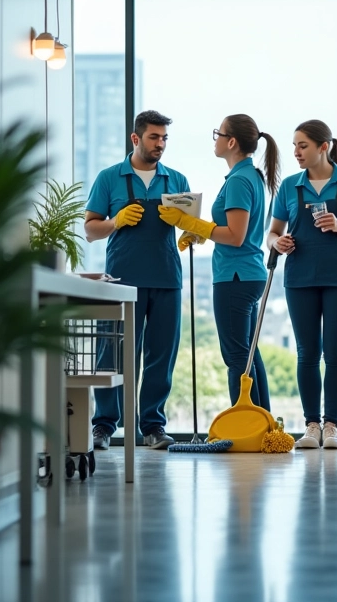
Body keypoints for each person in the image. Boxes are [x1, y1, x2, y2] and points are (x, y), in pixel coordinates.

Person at [158, 115, 280, 410]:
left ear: (232, 142)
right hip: (248, 273)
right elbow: (236, 230)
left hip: (234, 277)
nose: (216, 139)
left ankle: (244, 423)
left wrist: (191, 223)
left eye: (218, 133)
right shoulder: (250, 177)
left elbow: (236, 236)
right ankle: (262, 424)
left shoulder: (239, 180)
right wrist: (201, 233)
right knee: (250, 354)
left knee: (236, 356)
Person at [85, 110, 190, 450]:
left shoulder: (176, 180)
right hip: (121, 279)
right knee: (112, 354)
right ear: (135, 138)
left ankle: (153, 427)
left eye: (164, 139)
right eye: (153, 137)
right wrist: (115, 221)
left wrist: (193, 234)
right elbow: (90, 230)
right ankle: (103, 426)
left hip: (166, 277)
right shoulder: (109, 178)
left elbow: (191, 228)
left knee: (161, 356)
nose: (160, 144)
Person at [266, 120, 337, 450]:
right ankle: (311, 425)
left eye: (303, 146)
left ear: (323, 147)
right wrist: (277, 243)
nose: (296, 152)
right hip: (299, 278)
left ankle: (331, 426)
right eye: (295, 146)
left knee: (336, 351)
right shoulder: (289, 187)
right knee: (307, 353)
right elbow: (271, 232)